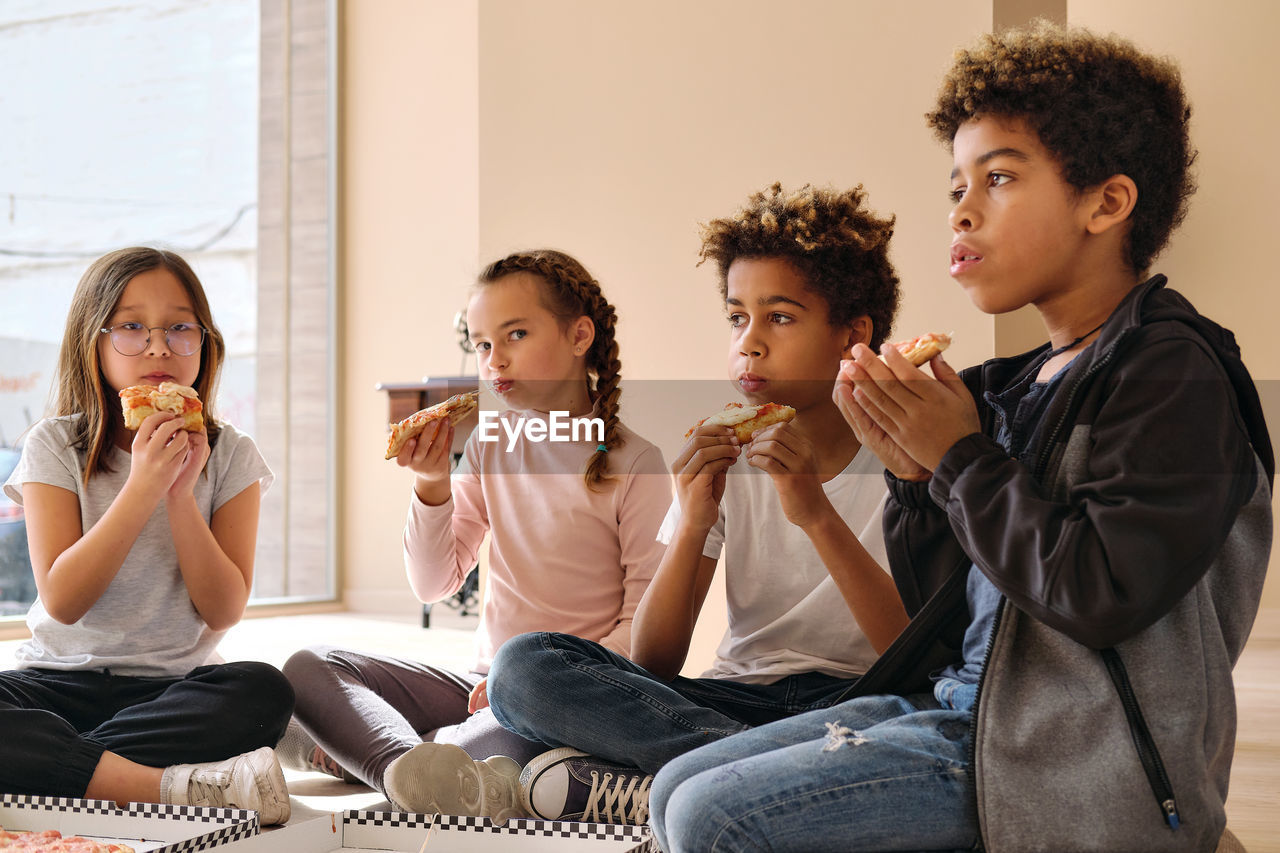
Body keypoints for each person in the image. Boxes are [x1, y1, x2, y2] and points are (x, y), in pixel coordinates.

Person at [647, 22, 1273, 853]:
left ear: (1106, 203)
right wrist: (915, 479)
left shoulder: (1172, 372)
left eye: (1000, 178)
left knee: (711, 815)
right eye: (956, 187)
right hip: (968, 707)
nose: (963, 211)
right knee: (673, 788)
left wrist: (958, 458)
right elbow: (947, 623)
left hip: (1077, 760)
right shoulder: (1009, 384)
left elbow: (1101, 593)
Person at [486, 184, 910, 826]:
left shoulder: (908, 457)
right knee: (521, 668)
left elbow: (911, 655)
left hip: (861, 701)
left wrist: (814, 513)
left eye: (781, 317)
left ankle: (664, 780)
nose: (751, 343)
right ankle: (756, 773)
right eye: (738, 318)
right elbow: (656, 662)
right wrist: (691, 524)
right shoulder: (728, 457)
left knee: (931, 715)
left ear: (852, 335)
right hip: (730, 703)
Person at [281, 249, 670, 821]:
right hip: (481, 681)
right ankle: (408, 762)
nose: (495, 360)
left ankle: (372, 754)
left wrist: (533, 680)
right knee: (307, 668)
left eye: (515, 334)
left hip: (563, 696)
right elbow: (433, 583)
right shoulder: (490, 446)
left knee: (504, 749)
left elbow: (643, 626)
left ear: (579, 335)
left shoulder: (638, 462)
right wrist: (432, 484)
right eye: (483, 344)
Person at [0, 248, 293, 823]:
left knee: (263, 690)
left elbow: (223, 609)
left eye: (180, 328)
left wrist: (179, 495)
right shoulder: (54, 445)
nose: (158, 347)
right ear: (95, 341)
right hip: (55, 681)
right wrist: (140, 488)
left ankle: (61, 768)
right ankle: (160, 785)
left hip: (171, 690)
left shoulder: (231, 454)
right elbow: (63, 600)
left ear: (204, 344)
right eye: (131, 327)